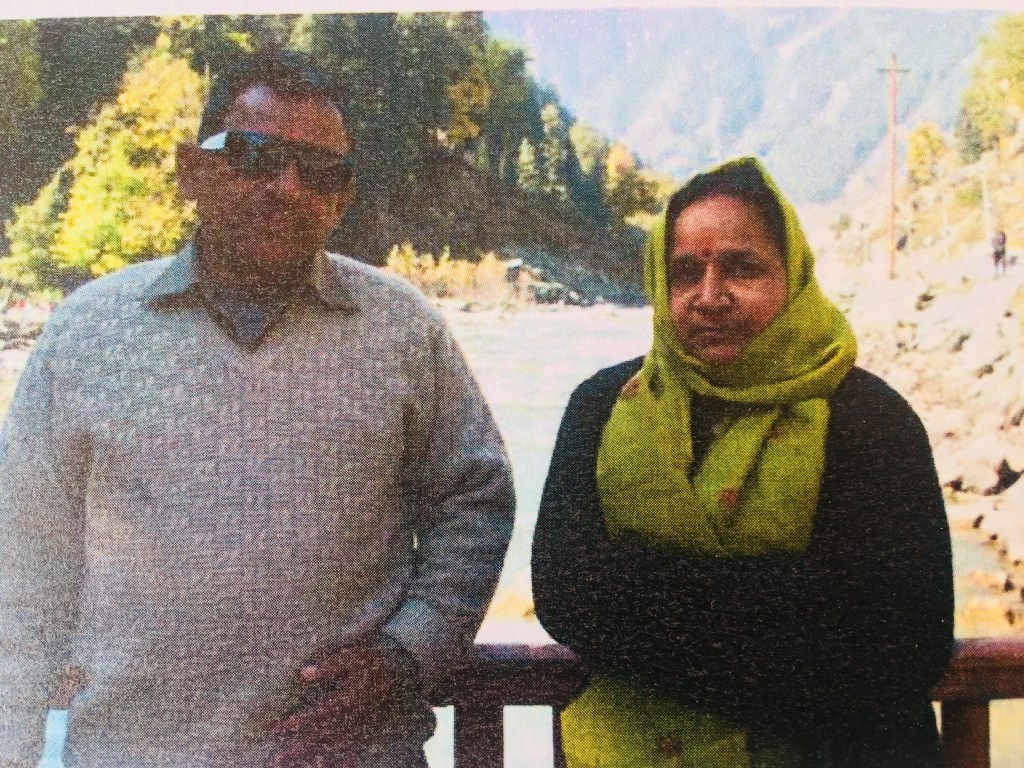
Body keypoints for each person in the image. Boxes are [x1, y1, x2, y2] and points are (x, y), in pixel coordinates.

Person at [0, 49, 515, 768]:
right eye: (253, 156)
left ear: (342, 198)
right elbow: (22, 568)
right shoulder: (87, 332)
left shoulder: (402, 329)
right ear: (192, 170)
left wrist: (409, 651)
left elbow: (475, 499)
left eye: (319, 171)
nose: (286, 187)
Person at [532, 157, 954, 768]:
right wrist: (794, 605)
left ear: (793, 275)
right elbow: (566, 592)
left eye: (741, 267)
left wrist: (641, 596)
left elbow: (906, 640)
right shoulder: (603, 407)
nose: (710, 296)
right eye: (685, 272)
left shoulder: (870, 418)